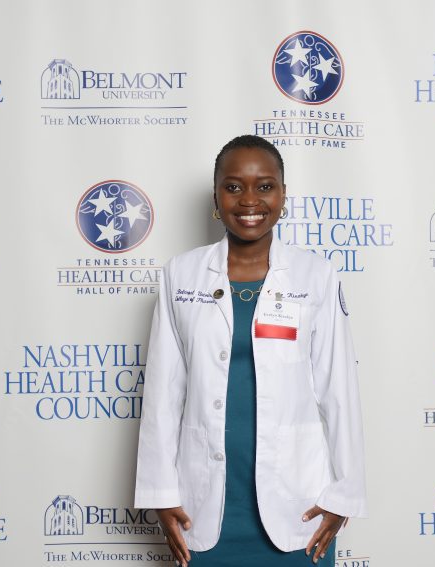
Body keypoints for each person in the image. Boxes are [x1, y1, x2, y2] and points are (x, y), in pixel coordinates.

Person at [135, 135, 367, 566]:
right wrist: (160, 492)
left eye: (265, 186)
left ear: (282, 195)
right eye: (233, 186)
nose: (249, 200)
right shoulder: (181, 274)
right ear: (216, 197)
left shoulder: (315, 275)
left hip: (298, 505)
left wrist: (345, 493)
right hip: (202, 505)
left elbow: (339, 390)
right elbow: (164, 395)